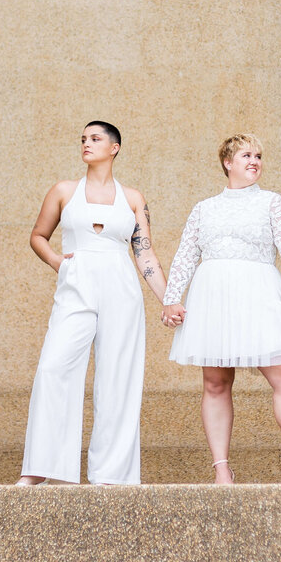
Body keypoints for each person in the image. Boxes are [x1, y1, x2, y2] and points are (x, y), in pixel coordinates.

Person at [161, 133, 281, 485]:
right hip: (213, 297)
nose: (254, 161)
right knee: (216, 382)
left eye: (258, 156)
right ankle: (222, 470)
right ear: (227, 162)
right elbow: (185, 255)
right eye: (246, 155)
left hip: (259, 294)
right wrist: (172, 298)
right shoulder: (204, 208)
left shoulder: (272, 202)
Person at [17, 121, 169, 485]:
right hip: (77, 284)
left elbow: (145, 254)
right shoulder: (64, 191)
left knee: (118, 377)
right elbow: (38, 236)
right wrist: (60, 264)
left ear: (114, 148)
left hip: (121, 286)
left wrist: (169, 300)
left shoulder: (133, 198)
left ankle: (112, 476)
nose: (86, 144)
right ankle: (44, 468)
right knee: (54, 367)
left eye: (95, 139)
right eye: (83, 139)